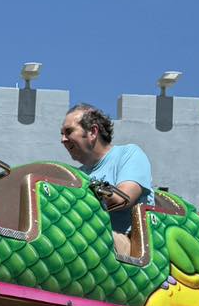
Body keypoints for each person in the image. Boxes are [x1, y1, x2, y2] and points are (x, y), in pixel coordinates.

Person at [60, 103, 154, 256]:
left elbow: (123, 199)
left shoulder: (129, 154)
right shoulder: (76, 175)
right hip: (86, 241)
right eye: (62, 134)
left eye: (69, 132)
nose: (63, 139)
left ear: (92, 132)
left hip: (128, 246)